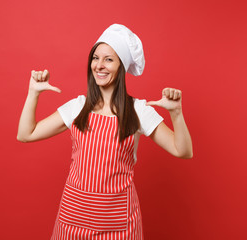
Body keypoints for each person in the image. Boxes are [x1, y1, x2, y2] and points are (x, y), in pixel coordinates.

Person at [17, 24, 193, 239]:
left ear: (121, 66)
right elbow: (26, 134)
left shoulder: (137, 110)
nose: (99, 65)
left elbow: (182, 150)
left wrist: (176, 114)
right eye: (95, 58)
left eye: (109, 59)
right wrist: (33, 93)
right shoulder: (78, 106)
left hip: (119, 224)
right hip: (74, 219)